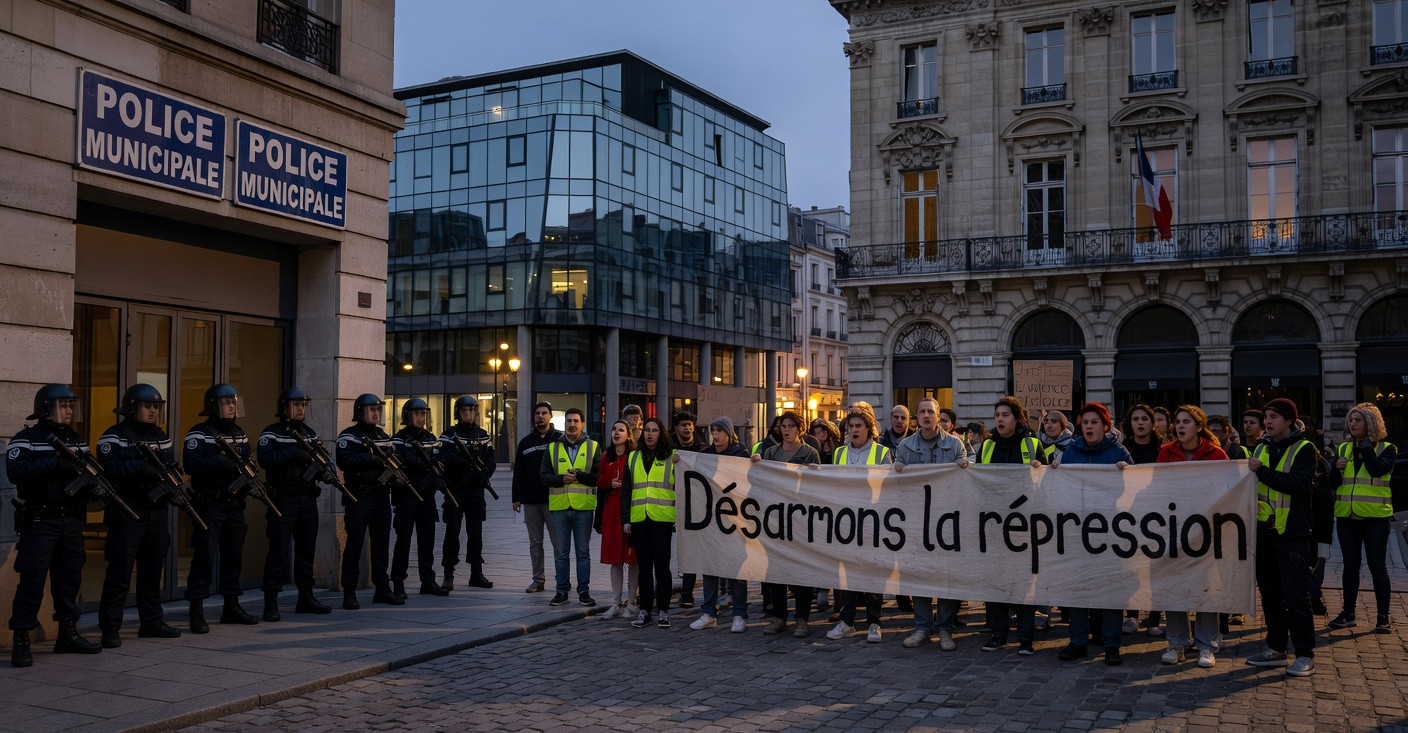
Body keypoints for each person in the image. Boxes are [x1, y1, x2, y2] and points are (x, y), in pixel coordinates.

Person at [7, 385, 103, 666]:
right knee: (32, 581)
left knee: (69, 580)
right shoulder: (27, 439)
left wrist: (93, 489)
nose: (70, 410)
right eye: (63, 405)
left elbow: (89, 473)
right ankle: (21, 640)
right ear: (46, 408)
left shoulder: (77, 440)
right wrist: (54, 462)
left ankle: (68, 635)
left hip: (70, 521)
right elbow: (16, 472)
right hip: (41, 520)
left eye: (71, 405)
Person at [96, 384, 182, 646]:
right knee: (120, 573)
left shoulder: (160, 436)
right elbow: (109, 467)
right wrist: (140, 467)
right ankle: (110, 628)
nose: (153, 411)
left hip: (155, 512)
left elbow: (171, 466)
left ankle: (152, 622)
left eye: (156, 407)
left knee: (152, 571)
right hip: (128, 512)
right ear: (133, 407)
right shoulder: (115, 436)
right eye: (148, 406)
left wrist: (173, 481)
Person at [1053, 402, 1132, 666]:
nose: (1088, 426)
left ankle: (1111, 644)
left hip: (1110, 530)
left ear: (1105, 426)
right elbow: (1060, 487)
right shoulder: (1071, 451)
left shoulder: (1118, 452)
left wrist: (1126, 472)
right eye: (1085, 422)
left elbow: (1133, 491)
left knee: (1110, 587)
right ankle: (1078, 641)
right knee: (1078, 585)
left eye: (1094, 422)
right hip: (1077, 529)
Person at [1244, 398, 1318, 677]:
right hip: (1264, 533)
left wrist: (1260, 471)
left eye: (1274, 416)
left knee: (1296, 597)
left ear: (1288, 420)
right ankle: (1275, 648)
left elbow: (1299, 485)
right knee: (1271, 596)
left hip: (1292, 534)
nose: (1268, 422)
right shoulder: (1261, 447)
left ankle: (1304, 654)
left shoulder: (1305, 448)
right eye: (1266, 416)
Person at [893, 397, 969, 651]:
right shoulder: (906, 446)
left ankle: (945, 628)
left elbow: (963, 482)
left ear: (938, 416)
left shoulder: (955, 445)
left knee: (946, 575)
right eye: (922, 412)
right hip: (916, 520)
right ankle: (922, 626)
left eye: (931, 412)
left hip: (947, 520)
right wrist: (897, 470)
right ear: (917, 418)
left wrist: (963, 467)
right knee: (919, 572)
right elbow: (899, 487)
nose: (926, 416)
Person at [1156, 405, 1229, 668]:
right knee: (1175, 584)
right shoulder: (1166, 452)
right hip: (1174, 528)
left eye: (1186, 421)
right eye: (1177, 421)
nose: (1180, 426)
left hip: (1207, 531)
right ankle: (1177, 641)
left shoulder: (1216, 454)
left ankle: (1207, 644)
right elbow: (1158, 488)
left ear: (1199, 426)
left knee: (1205, 586)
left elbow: (1227, 490)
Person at [183, 383, 258, 632]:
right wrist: (220, 461)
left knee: (233, 556)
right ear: (214, 406)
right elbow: (192, 464)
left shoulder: (239, 433)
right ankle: (196, 609)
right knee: (204, 556)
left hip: (234, 504)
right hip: (210, 504)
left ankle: (231, 606)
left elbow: (245, 463)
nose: (232, 406)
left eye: (234, 402)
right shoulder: (199, 433)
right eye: (227, 403)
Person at [257, 387, 333, 621]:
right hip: (284, 498)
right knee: (278, 551)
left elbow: (323, 459)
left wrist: (325, 470)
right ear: (284, 407)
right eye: (296, 405)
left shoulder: (309, 433)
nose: (301, 409)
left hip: (307, 498)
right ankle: (271, 601)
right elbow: (265, 459)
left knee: (306, 550)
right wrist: (293, 452)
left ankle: (306, 596)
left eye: (303, 405)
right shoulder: (272, 433)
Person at [977, 397, 1046, 656]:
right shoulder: (987, 445)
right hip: (994, 524)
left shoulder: (1032, 444)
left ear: (1017, 418)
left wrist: (1042, 469)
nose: (999, 420)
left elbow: (1044, 482)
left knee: (1023, 582)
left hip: (1023, 524)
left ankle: (1026, 637)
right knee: (996, 581)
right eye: (997, 415)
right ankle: (998, 634)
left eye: (1005, 415)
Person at [750, 411, 822, 636]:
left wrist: (815, 474)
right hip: (775, 518)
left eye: (791, 425)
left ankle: (802, 619)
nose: (787, 429)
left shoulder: (809, 453)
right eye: (783, 425)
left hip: (800, 519)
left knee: (801, 569)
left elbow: (819, 485)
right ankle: (779, 617)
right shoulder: (771, 452)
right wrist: (757, 464)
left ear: (799, 428)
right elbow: (759, 480)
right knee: (776, 569)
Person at [1328, 403, 1398, 634]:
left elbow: (1377, 470)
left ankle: (1382, 617)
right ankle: (1348, 614)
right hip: (1347, 517)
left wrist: (1367, 447)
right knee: (1350, 566)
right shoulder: (1344, 448)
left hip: (1374, 518)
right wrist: (1334, 469)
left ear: (1371, 423)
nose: (1352, 424)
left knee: (1378, 567)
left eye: (1357, 420)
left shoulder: (1387, 448)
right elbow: (1333, 484)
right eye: (1350, 420)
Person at [826, 409, 892, 644]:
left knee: (872, 573)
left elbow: (889, 487)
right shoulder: (839, 453)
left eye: (858, 426)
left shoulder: (882, 452)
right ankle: (847, 621)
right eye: (850, 426)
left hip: (872, 521)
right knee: (846, 575)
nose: (853, 430)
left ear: (869, 429)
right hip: (846, 522)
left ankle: (874, 622)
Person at [335, 393, 402, 609]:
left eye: (378, 410)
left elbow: (395, 460)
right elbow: (344, 461)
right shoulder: (349, 436)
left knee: (381, 544)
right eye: (371, 410)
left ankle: (382, 588)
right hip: (359, 497)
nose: (376, 413)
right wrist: (371, 458)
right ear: (359, 412)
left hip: (381, 496)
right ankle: (349, 591)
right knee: (354, 544)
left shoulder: (384, 436)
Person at [688, 416, 752, 632]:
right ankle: (708, 612)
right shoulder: (705, 455)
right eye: (712, 430)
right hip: (710, 520)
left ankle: (739, 614)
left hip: (734, 519)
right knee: (710, 566)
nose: (715, 435)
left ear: (729, 433)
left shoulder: (740, 454)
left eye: (719, 431)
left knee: (735, 567)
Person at [540, 407, 600, 607]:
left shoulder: (593, 447)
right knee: (561, 553)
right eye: (568, 421)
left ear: (582, 425)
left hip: (583, 508)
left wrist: (580, 476)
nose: (572, 425)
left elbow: (598, 478)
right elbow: (544, 476)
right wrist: (560, 479)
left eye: (576, 421)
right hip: (559, 508)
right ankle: (561, 591)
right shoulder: (552, 447)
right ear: (564, 424)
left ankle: (584, 591)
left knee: (583, 553)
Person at [390, 398, 449, 599]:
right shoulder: (399, 439)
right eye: (417, 414)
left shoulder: (431, 438)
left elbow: (439, 462)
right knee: (403, 540)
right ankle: (398, 582)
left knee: (427, 540)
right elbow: (405, 463)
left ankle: (428, 581)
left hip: (426, 495)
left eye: (423, 413)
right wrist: (425, 467)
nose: (421, 417)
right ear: (407, 416)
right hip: (407, 495)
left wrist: (431, 478)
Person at [438, 396, 497, 591]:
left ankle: (476, 573)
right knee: (452, 532)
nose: (468, 414)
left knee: (476, 533)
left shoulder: (483, 434)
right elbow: (444, 457)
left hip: (475, 491)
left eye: (472, 410)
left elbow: (490, 460)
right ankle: (448, 574)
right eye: (464, 410)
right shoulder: (449, 435)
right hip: (456, 489)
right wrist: (464, 465)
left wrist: (482, 475)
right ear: (458, 413)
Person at [623, 417, 676, 628]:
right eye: (646, 430)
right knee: (644, 568)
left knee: (662, 567)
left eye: (654, 430)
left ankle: (663, 609)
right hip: (639, 519)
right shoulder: (633, 457)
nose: (650, 434)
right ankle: (645, 609)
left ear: (661, 434)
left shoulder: (672, 457)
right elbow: (627, 491)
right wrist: (625, 519)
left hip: (662, 518)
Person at [1120, 404, 1164, 636]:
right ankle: (1132, 615)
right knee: (1132, 566)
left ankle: (1155, 618)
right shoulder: (1122, 449)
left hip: (1157, 515)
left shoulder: (1163, 449)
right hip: (1129, 515)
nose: (1140, 423)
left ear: (1152, 423)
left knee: (1156, 567)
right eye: (1135, 419)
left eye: (1144, 419)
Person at [512, 402, 562, 594]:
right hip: (531, 502)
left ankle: (562, 579)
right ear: (534, 418)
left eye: (544, 413)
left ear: (550, 416)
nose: (541, 416)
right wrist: (516, 497)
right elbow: (519, 472)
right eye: (537, 413)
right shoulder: (525, 443)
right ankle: (538, 580)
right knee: (535, 544)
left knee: (558, 542)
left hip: (554, 499)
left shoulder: (559, 439)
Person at [595, 419, 638, 620]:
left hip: (629, 507)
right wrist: (608, 482)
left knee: (632, 558)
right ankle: (615, 602)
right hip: (611, 508)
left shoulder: (634, 456)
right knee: (615, 559)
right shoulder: (606, 456)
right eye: (614, 429)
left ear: (628, 435)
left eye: (621, 429)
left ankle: (632, 602)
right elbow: (600, 479)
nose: (616, 432)